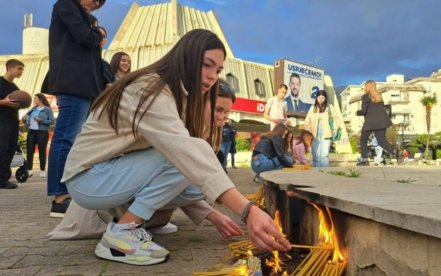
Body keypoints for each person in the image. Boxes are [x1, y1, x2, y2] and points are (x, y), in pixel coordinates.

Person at [59, 29, 290, 265]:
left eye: (218, 70)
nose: (212, 77)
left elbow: (191, 171)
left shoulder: (177, 95)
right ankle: (121, 235)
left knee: (195, 176)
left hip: (108, 176)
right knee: (187, 156)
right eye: (206, 65)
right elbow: (186, 154)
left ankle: (134, 224)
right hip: (88, 180)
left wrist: (214, 214)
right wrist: (248, 210)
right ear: (186, 57)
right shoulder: (150, 89)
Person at [48, 77, 241, 241]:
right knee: (188, 161)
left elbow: (179, 182)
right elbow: (177, 167)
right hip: (101, 205)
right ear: (200, 101)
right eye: (218, 110)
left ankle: (144, 221)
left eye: (226, 113)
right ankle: (124, 229)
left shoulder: (203, 130)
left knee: (198, 176)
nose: (222, 118)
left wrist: (214, 215)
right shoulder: (169, 115)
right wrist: (242, 210)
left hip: (120, 192)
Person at [47, 0, 106, 217]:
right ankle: (60, 196)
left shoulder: (82, 15)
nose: (96, 3)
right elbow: (84, 37)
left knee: (74, 140)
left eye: (100, 3)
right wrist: (97, 33)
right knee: (65, 139)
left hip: (84, 85)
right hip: (73, 83)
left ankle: (68, 192)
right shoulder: (66, 4)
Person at [356, 80, 394, 166]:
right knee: (382, 141)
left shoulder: (365, 97)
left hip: (370, 123)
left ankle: (364, 160)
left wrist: (357, 112)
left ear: (367, 87)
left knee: (363, 140)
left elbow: (363, 111)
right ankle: (396, 152)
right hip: (382, 122)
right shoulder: (379, 96)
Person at [0, 59, 25, 189]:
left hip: (13, 122)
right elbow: (5, 102)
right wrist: (3, 102)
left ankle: (4, 179)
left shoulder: (15, 88)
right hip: (2, 122)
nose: (21, 72)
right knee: (2, 149)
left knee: (10, 150)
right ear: (10, 68)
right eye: (19, 69)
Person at [22, 94, 55, 178]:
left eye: (35, 99)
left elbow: (52, 121)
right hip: (31, 132)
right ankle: (29, 170)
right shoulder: (33, 109)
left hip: (42, 132)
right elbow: (27, 119)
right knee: (29, 151)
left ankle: (42, 170)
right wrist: (24, 120)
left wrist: (41, 120)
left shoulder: (47, 109)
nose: (34, 100)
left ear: (40, 100)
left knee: (41, 152)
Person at [304, 90, 338, 167]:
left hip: (326, 132)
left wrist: (335, 129)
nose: (321, 99)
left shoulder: (329, 107)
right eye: (319, 97)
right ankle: (317, 173)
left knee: (324, 154)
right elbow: (307, 120)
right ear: (316, 98)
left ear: (325, 98)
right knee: (315, 155)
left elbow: (336, 118)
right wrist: (308, 130)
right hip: (314, 133)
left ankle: (325, 172)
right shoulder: (313, 107)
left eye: (323, 98)